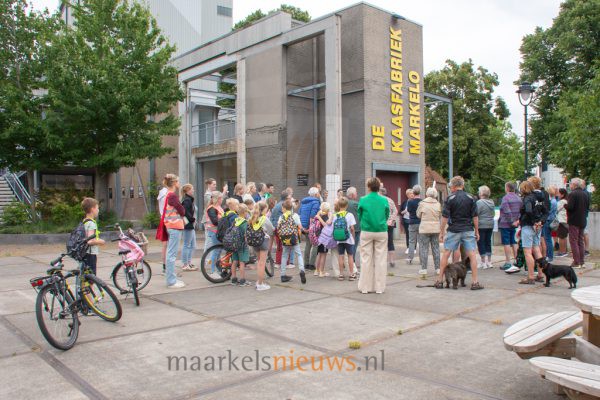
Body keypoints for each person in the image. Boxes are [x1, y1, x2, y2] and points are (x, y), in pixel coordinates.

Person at [435, 176, 484, 290]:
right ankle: (475, 282)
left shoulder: (450, 198)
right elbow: (475, 217)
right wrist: (477, 231)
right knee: (472, 255)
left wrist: (441, 232)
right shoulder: (471, 198)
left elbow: (444, 217)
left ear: (453, 186)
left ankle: (440, 280)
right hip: (468, 229)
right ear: (462, 185)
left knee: (446, 253)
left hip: (454, 230)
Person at [357, 177, 390, 294]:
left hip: (366, 230)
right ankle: (379, 288)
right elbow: (387, 214)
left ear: (368, 187)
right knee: (380, 259)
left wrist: (365, 223)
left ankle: (365, 287)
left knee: (366, 259)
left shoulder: (363, 199)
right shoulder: (384, 200)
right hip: (381, 230)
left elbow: (359, 215)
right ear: (378, 187)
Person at [517, 180, 545, 285]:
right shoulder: (538, 198)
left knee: (528, 252)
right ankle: (540, 274)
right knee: (537, 250)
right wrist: (540, 221)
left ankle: (531, 277)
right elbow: (544, 211)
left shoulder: (527, 198)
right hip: (538, 226)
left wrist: (533, 222)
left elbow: (528, 211)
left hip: (528, 226)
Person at [161, 174, 186, 289]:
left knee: (170, 254)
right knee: (171, 255)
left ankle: (172, 278)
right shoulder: (172, 196)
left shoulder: (168, 194)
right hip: (174, 226)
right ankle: (171, 281)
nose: (179, 183)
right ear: (174, 183)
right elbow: (182, 210)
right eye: (178, 181)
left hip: (171, 226)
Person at [278, 199, 305, 283]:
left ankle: (283, 275)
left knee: (284, 255)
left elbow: (278, 227)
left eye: (282, 207)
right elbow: (299, 226)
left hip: (285, 239)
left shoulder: (281, 217)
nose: (282, 209)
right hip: (294, 238)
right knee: (299, 254)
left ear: (285, 208)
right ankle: (302, 270)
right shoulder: (295, 215)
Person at [248, 202, 274, 291]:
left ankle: (258, 281)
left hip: (254, 242)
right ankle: (260, 284)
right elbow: (271, 230)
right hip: (263, 241)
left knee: (259, 262)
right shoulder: (265, 219)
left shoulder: (252, 218)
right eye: (266, 209)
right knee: (262, 263)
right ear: (263, 210)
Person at [416, 187, 441, 275]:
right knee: (436, 248)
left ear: (427, 194)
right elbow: (439, 216)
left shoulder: (422, 203)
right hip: (435, 228)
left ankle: (424, 269)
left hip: (424, 228)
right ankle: (438, 268)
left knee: (424, 248)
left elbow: (418, 215)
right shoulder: (438, 204)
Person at [565, 178, 590, 269]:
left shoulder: (572, 194)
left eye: (570, 184)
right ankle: (582, 261)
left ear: (574, 185)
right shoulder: (585, 194)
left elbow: (570, 207)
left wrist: (565, 205)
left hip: (574, 220)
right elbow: (587, 207)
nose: (570, 185)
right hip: (583, 220)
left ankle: (576, 262)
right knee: (580, 241)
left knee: (573, 241)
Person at [498, 182, 522, 270]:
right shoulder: (519, 198)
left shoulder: (505, 198)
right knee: (514, 241)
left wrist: (512, 221)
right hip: (515, 223)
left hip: (505, 223)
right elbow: (521, 211)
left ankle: (508, 262)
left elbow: (507, 211)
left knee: (506, 243)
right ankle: (516, 260)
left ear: (507, 188)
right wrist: (517, 221)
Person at [334, 197, 357, 281]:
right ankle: (351, 274)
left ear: (338, 205)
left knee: (341, 256)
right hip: (348, 239)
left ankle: (341, 274)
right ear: (347, 205)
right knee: (350, 256)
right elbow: (352, 228)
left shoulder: (335, 215)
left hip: (339, 239)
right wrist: (353, 237)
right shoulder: (350, 215)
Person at [204, 191, 225, 281]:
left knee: (218, 252)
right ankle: (213, 271)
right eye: (221, 198)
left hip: (218, 232)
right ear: (217, 199)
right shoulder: (212, 209)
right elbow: (215, 221)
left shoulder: (218, 207)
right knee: (216, 252)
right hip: (214, 232)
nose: (222, 200)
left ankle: (217, 270)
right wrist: (224, 221)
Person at [81, 197, 105, 275]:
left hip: (84, 253)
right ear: (92, 209)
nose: (98, 210)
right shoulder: (91, 223)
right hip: (90, 254)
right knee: (91, 277)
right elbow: (90, 241)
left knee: (84, 276)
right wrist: (101, 241)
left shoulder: (85, 221)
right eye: (97, 208)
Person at [299, 187, 321, 270]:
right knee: (315, 244)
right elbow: (312, 216)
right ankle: (311, 264)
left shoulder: (303, 202)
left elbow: (300, 213)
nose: (319, 194)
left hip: (304, 226)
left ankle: (306, 263)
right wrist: (310, 228)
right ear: (315, 194)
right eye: (318, 193)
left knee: (308, 244)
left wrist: (303, 227)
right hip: (311, 226)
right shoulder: (316, 202)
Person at [230, 203, 251, 286]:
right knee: (242, 263)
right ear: (244, 212)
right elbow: (246, 235)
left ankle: (234, 279)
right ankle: (242, 280)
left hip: (234, 244)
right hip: (242, 245)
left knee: (234, 261)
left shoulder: (235, 220)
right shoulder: (244, 223)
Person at [476, 185, 495, 269]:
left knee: (481, 242)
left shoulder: (479, 202)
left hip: (481, 224)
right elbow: (493, 214)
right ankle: (489, 262)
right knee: (488, 242)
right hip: (490, 224)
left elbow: (476, 214)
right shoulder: (492, 202)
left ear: (481, 193)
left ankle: (483, 262)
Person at [379, 187, 398, 268]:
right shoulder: (390, 200)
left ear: (380, 193)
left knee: (381, 242)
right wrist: (391, 220)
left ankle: (381, 261)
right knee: (390, 242)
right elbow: (395, 211)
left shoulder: (379, 200)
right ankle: (392, 260)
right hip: (390, 224)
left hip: (381, 224)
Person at [180, 184, 198, 271]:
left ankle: (189, 262)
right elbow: (186, 213)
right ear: (187, 191)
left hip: (190, 225)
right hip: (188, 225)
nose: (193, 190)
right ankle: (185, 264)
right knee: (187, 244)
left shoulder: (189, 200)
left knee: (193, 245)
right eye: (192, 189)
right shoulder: (187, 200)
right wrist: (192, 219)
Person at [315, 202, 332, 278]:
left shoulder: (319, 213)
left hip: (319, 236)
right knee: (323, 255)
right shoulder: (326, 215)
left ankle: (317, 270)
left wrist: (318, 216)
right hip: (324, 237)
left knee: (319, 254)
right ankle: (321, 272)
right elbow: (326, 225)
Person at [406, 185, 422, 263]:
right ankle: (422, 259)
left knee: (411, 241)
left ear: (413, 192)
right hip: (421, 223)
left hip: (412, 222)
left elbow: (408, 210)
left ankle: (410, 258)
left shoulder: (410, 202)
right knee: (421, 242)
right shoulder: (422, 202)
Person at [346, 187, 361, 268]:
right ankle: (353, 263)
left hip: (345, 227)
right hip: (355, 228)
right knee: (353, 246)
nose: (357, 194)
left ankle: (346, 262)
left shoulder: (344, 202)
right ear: (352, 195)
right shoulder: (356, 204)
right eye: (356, 193)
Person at [542, 185, 558, 262]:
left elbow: (547, 211)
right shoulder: (554, 200)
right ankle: (549, 255)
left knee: (547, 239)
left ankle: (549, 256)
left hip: (548, 221)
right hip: (551, 220)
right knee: (548, 238)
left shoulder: (552, 202)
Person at [157, 185, 169, 274]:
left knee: (165, 245)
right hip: (168, 220)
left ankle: (164, 266)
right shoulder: (167, 194)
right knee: (169, 245)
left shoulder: (161, 193)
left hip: (163, 219)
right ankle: (167, 267)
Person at [556, 188, 569, 257]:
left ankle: (562, 251)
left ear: (562, 194)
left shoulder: (561, 202)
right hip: (565, 220)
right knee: (564, 236)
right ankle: (564, 251)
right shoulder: (567, 201)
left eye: (558, 193)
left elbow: (556, 209)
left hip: (561, 221)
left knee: (561, 237)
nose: (557, 195)